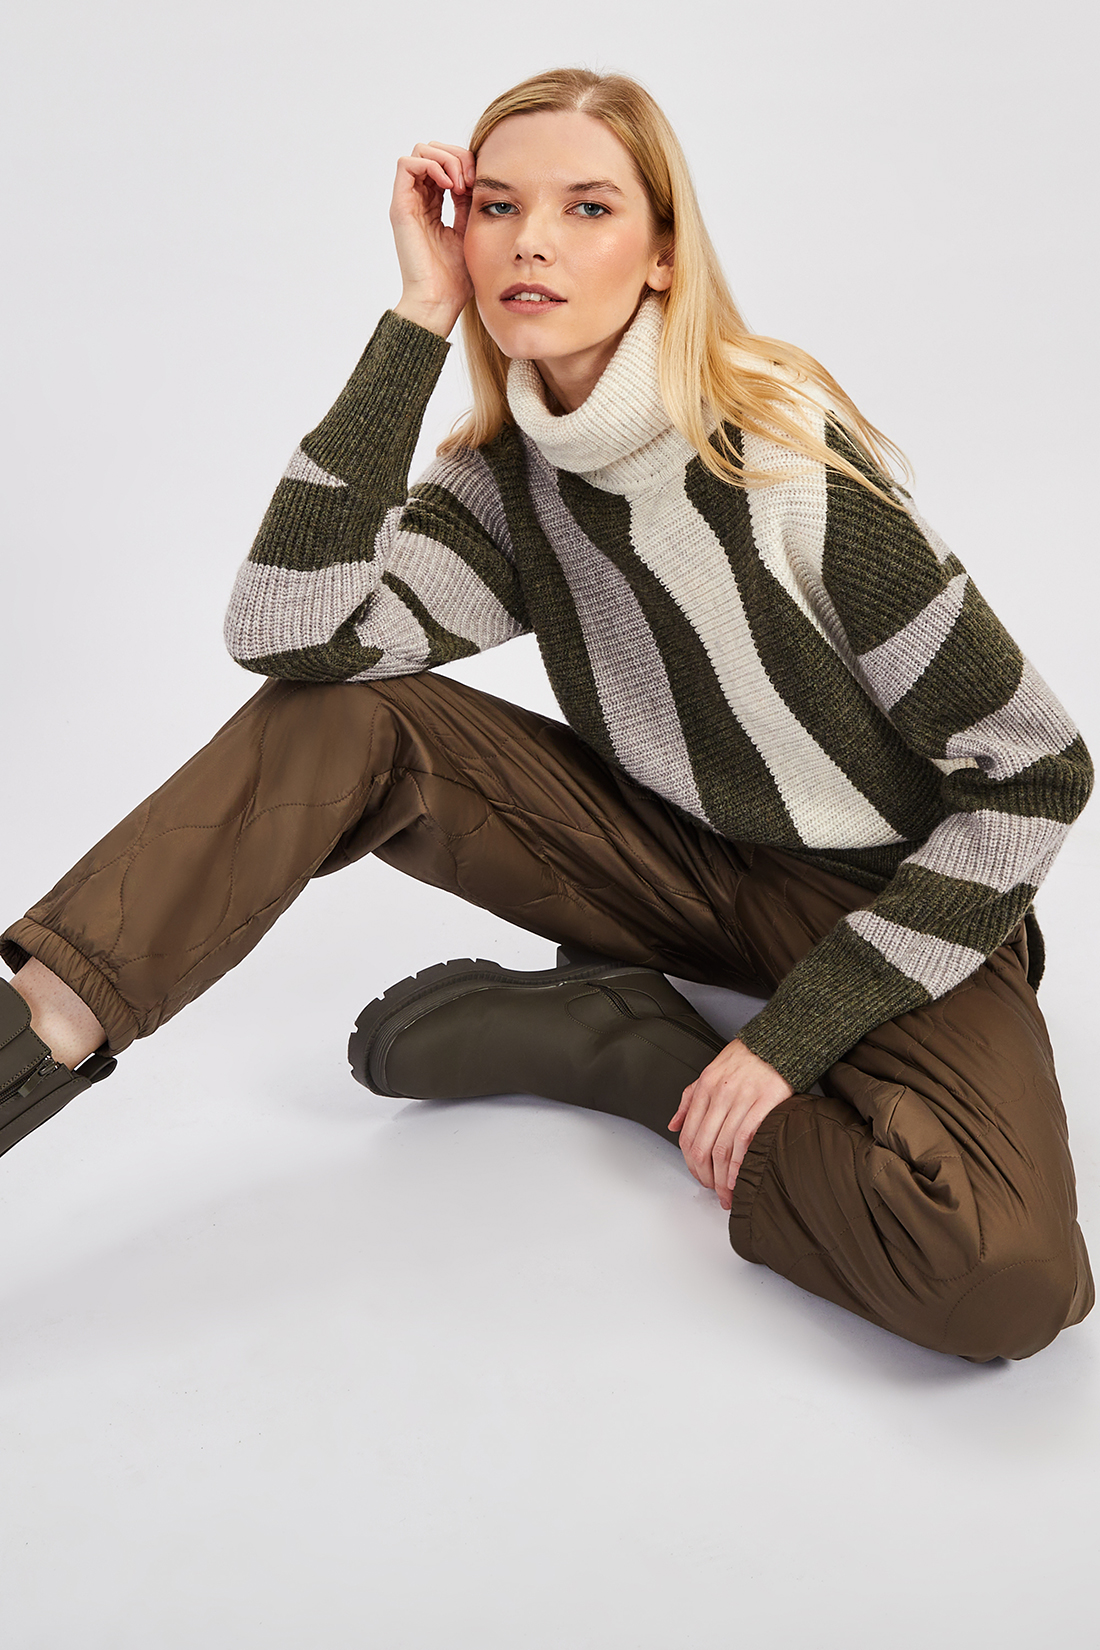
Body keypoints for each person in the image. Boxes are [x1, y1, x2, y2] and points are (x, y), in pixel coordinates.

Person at [1, 67, 1092, 1363]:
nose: (531, 241)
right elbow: (290, 634)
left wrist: (788, 1041)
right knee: (338, 715)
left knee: (1002, 1281)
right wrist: (416, 317)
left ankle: (625, 1051)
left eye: (587, 207)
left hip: (884, 895)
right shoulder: (512, 487)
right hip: (664, 864)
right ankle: (36, 1026)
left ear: (663, 253)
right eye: (498, 207)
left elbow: (1035, 772)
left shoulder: (783, 462)